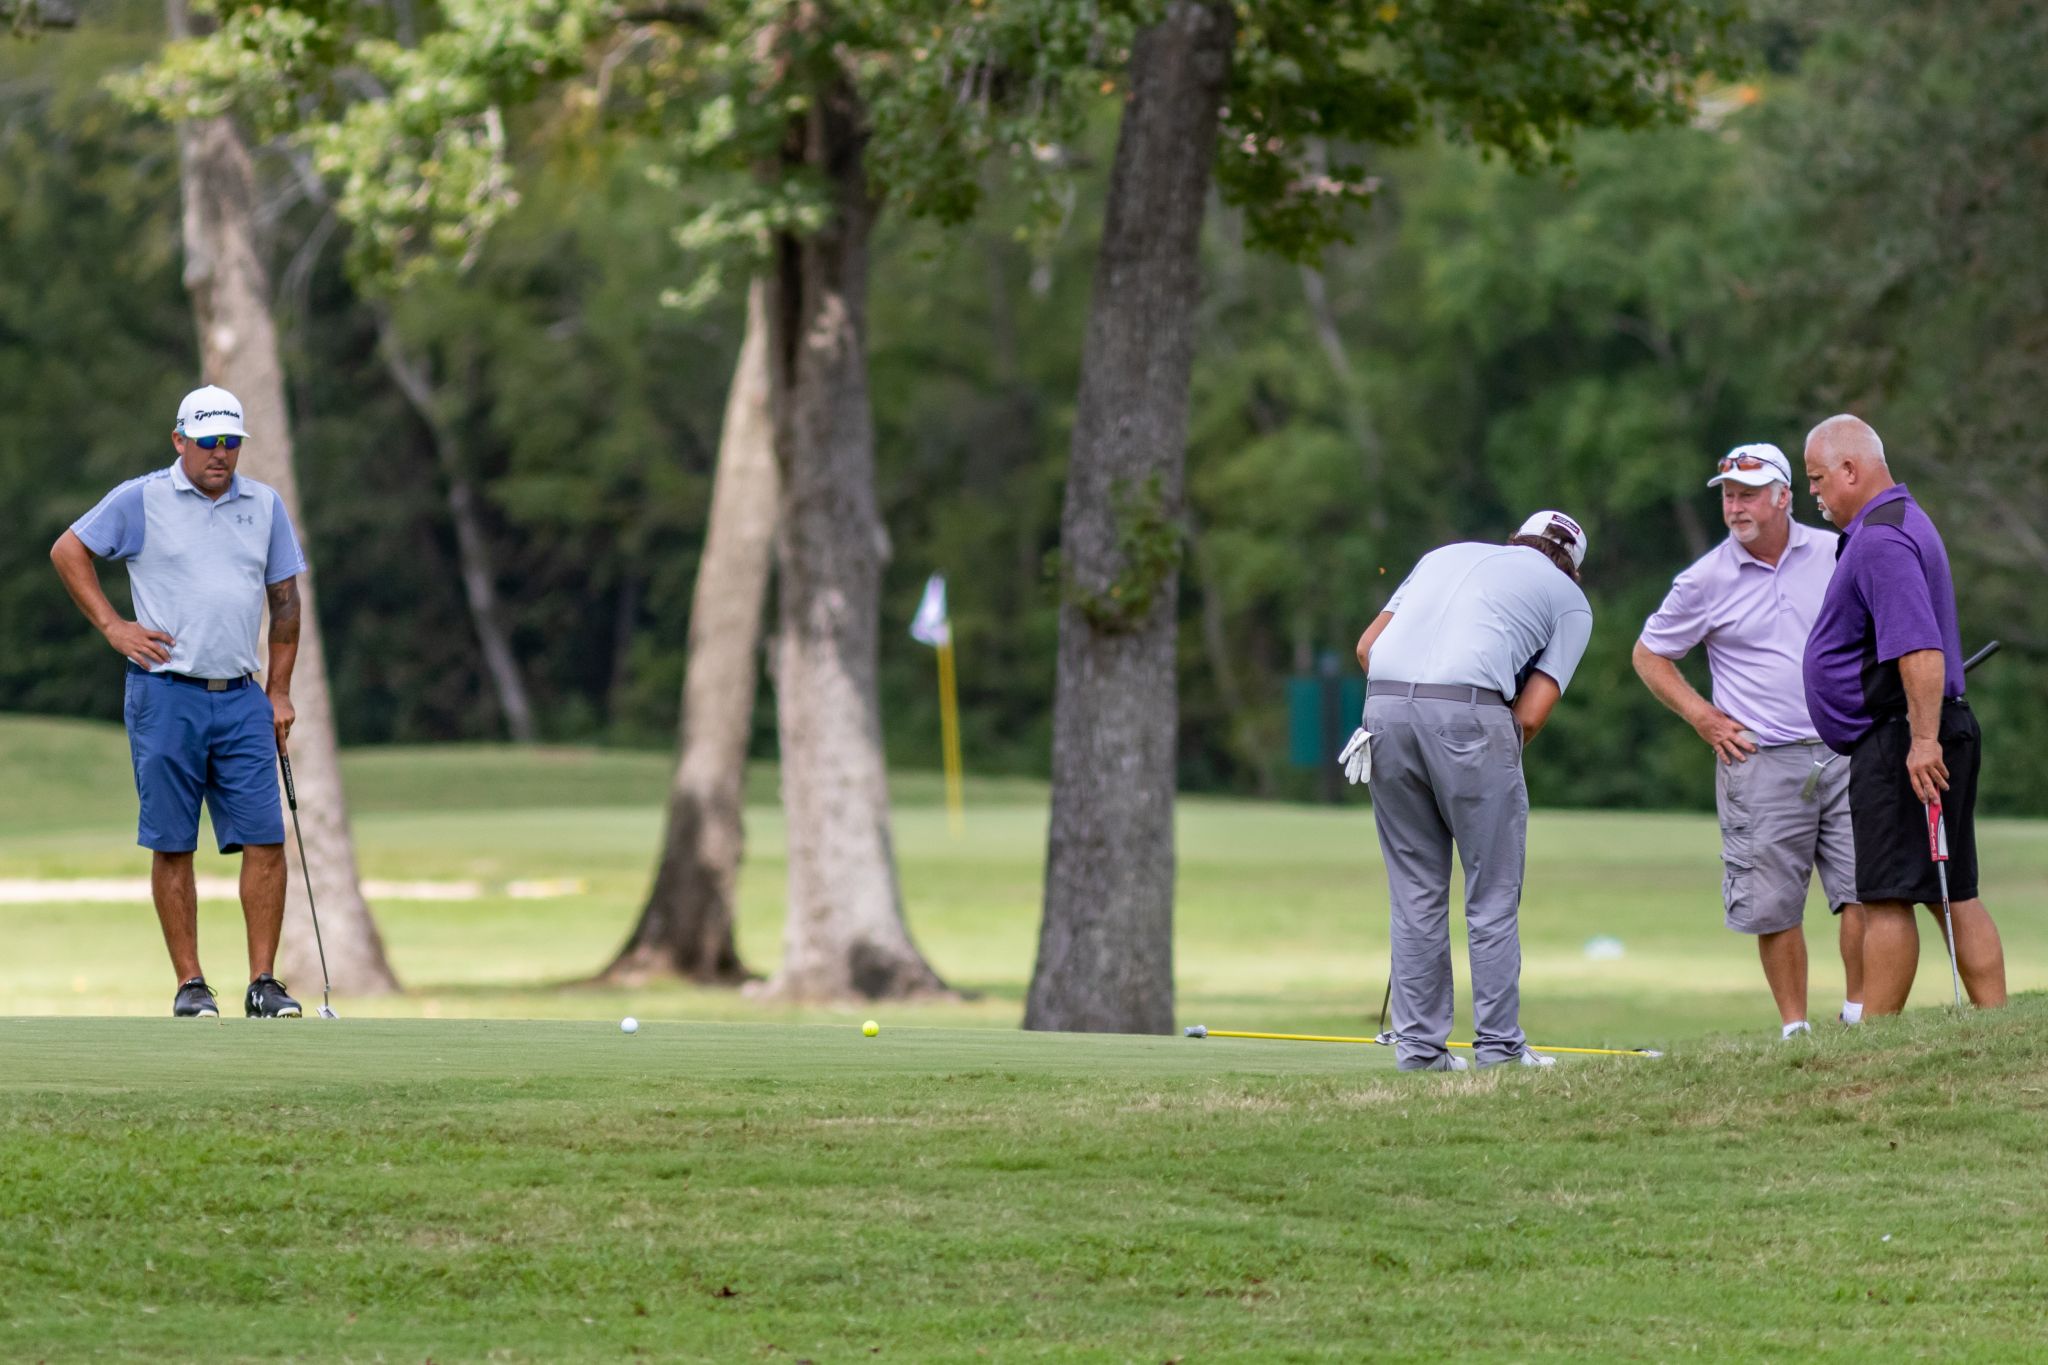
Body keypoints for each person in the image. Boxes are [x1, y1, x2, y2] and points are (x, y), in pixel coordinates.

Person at [49, 384, 311, 1019]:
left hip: (242, 696)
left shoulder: (265, 505)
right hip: (166, 695)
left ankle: (263, 983)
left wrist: (279, 692)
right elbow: (68, 549)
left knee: (265, 839)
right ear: (180, 441)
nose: (220, 454)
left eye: (230, 442)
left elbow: (285, 601)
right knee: (173, 841)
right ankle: (192, 985)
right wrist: (114, 627)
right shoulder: (143, 498)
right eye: (208, 442)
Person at [1633, 442, 1866, 1038]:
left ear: (1784, 497)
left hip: (1846, 749)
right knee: (1771, 904)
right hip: (1759, 759)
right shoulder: (1704, 579)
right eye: (1729, 496)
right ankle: (1795, 1030)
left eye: (1749, 494)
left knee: (1867, 889)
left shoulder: (1838, 550)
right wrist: (1704, 718)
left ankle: (1860, 1014)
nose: (1736, 507)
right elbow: (1650, 653)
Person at [1352, 511, 1593, 1071]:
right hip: (1471, 717)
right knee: (1491, 895)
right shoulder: (1570, 600)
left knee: (1415, 891)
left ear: (1516, 539)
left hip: (1381, 710)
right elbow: (1530, 716)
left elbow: (1368, 648)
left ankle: (1419, 1052)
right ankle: (1500, 1050)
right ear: (1575, 569)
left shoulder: (1443, 554)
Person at [1801, 414, 2006, 1015]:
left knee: (1888, 897)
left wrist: (1921, 742)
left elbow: (1918, 648)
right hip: (1928, 730)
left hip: (1902, 741)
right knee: (1954, 892)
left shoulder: (1881, 539)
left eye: (1817, 478)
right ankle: (1996, 1021)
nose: (1813, 492)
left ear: (1850, 469)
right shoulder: (1901, 521)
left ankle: (1878, 1043)